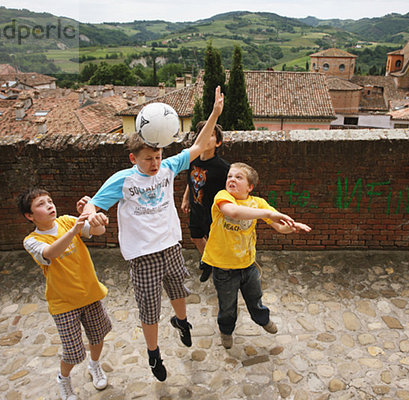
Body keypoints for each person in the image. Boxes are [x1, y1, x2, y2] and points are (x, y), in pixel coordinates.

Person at [83, 86, 224, 381]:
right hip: (142, 256)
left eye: (158, 156)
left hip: (170, 247)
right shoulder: (123, 180)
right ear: (134, 158)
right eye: (149, 158)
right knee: (149, 310)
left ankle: (182, 322)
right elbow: (93, 205)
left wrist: (214, 114)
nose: (155, 162)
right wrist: (90, 215)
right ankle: (153, 354)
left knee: (178, 292)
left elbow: (198, 147)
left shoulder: (169, 168)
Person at [201, 162, 311, 349]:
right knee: (227, 307)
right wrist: (268, 213)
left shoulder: (257, 203)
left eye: (238, 177)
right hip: (224, 269)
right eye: (230, 176)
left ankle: (262, 319)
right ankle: (226, 331)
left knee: (255, 298)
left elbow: (279, 225)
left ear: (250, 187)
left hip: (248, 265)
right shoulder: (223, 197)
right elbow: (233, 212)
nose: (232, 180)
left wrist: (291, 227)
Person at [18, 189, 112, 400]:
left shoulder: (68, 220)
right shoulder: (31, 240)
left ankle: (94, 366)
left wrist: (94, 215)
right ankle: (64, 379)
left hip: (90, 294)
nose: (50, 205)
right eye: (41, 204)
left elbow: (98, 232)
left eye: (50, 201)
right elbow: (50, 253)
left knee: (98, 336)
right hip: (64, 304)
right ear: (29, 216)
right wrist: (74, 230)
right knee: (73, 351)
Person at [180, 121, 230, 282]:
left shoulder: (223, 168)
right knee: (196, 237)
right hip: (196, 209)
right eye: (202, 135)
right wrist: (186, 198)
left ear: (218, 142)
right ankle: (207, 261)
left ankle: (215, 266)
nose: (206, 138)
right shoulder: (192, 159)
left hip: (213, 214)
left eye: (211, 135)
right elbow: (191, 180)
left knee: (214, 242)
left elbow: (230, 193)